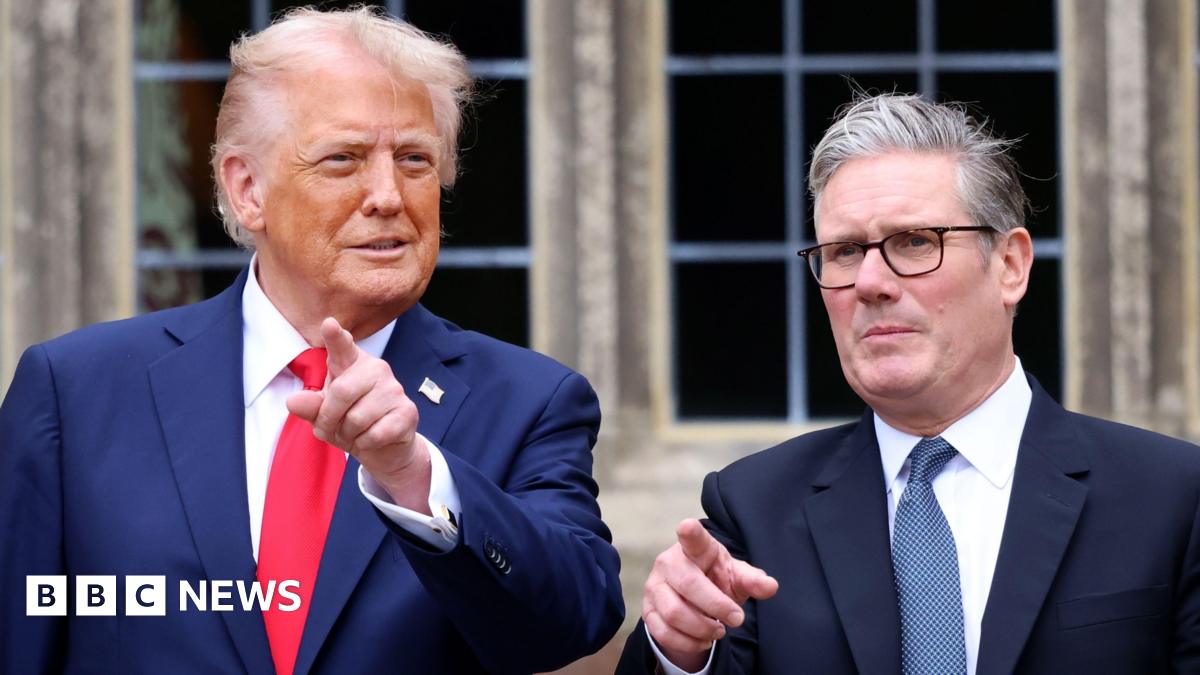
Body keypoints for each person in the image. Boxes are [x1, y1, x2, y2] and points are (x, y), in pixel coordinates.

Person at [0, 8, 622, 675]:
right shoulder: (76, 391)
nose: (388, 194)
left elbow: (574, 619)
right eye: (343, 159)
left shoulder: (530, 401)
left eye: (414, 159)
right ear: (247, 190)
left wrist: (414, 475)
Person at [618, 93, 1200, 674]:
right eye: (844, 251)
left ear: (1010, 266)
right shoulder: (754, 507)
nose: (870, 282)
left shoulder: (1172, 497)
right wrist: (679, 650)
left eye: (914, 242)